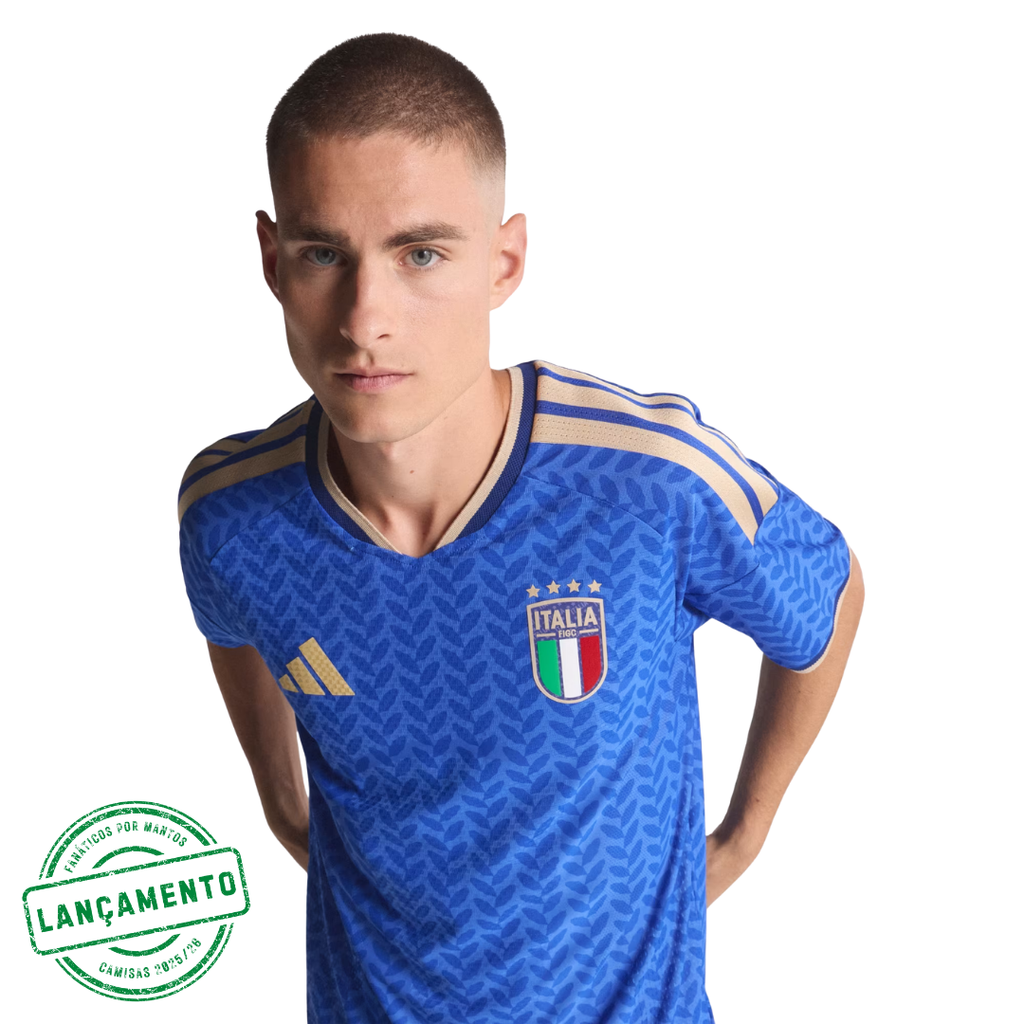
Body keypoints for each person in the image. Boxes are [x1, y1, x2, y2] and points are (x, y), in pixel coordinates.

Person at [177, 31, 864, 1024]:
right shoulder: (232, 515)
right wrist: (282, 805)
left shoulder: (647, 481)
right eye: (325, 254)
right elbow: (236, 623)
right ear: (273, 261)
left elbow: (827, 593)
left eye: (420, 253)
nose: (365, 318)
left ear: (503, 263)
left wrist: (744, 835)